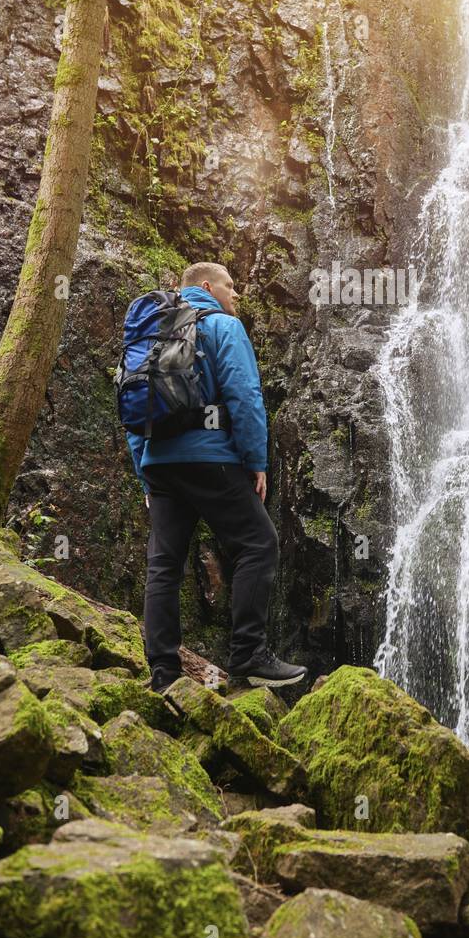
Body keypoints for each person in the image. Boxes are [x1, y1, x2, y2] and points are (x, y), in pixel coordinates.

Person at [126, 261, 307, 694]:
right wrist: (255, 461)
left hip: (161, 464)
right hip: (210, 458)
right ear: (207, 287)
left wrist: (145, 472)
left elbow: (134, 407)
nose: (237, 294)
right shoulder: (223, 326)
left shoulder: (151, 332)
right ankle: (248, 653)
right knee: (258, 543)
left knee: (164, 563)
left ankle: (163, 672)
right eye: (231, 284)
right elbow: (244, 394)